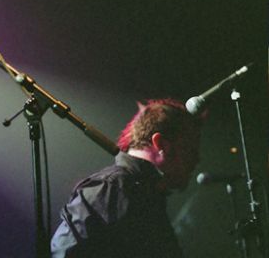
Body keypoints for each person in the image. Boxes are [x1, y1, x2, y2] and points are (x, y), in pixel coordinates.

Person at [50, 99, 202, 258]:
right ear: (160, 143)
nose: (197, 159)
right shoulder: (111, 187)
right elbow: (64, 253)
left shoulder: (146, 193)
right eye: (190, 149)